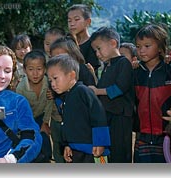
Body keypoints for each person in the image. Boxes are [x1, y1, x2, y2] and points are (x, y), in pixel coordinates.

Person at [46, 53, 110, 163]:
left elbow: (99, 116)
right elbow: (66, 124)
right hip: (74, 150)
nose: (52, 84)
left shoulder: (83, 92)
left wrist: (100, 142)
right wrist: (66, 145)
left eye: (55, 78)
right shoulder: (65, 97)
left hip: (92, 150)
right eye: (50, 80)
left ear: (71, 75)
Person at [133, 24, 171, 163]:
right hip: (142, 134)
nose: (141, 50)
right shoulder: (135, 72)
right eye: (138, 46)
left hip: (166, 132)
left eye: (147, 46)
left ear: (160, 48)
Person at [89, 27, 135, 163]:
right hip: (108, 115)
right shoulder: (108, 66)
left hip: (120, 116)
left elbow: (119, 89)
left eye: (99, 48)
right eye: (95, 51)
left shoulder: (123, 63)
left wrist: (97, 91)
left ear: (113, 43)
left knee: (120, 154)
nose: (97, 54)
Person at [16, 50, 53, 162]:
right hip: (27, 119)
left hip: (42, 117)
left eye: (39, 69)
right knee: (29, 145)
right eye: (31, 69)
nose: (35, 74)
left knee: (45, 143)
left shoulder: (49, 83)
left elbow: (49, 103)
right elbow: (20, 111)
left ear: (45, 69)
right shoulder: (21, 88)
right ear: (25, 70)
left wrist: (45, 122)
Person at [43, 27, 66, 163]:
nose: (50, 47)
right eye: (47, 43)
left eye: (55, 43)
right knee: (57, 148)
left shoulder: (68, 63)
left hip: (69, 117)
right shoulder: (42, 63)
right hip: (54, 117)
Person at [67, 4, 101, 78]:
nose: (72, 24)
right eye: (69, 21)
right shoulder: (66, 43)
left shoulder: (92, 44)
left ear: (88, 22)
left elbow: (91, 70)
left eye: (76, 19)